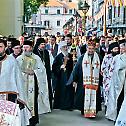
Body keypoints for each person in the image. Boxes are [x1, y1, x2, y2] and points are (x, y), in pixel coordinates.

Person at [17, 40, 51, 126]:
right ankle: (23, 121)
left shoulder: (36, 58)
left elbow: (42, 70)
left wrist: (34, 72)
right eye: (24, 47)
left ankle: (33, 121)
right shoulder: (18, 59)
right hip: (22, 85)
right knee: (22, 102)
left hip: (33, 85)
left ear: (31, 48)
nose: (25, 49)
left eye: (27, 47)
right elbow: (15, 72)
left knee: (33, 102)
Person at [67, 39, 102, 118]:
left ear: (94, 49)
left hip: (95, 82)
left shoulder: (99, 57)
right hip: (84, 81)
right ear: (87, 48)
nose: (91, 50)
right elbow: (76, 69)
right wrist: (74, 80)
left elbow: (102, 69)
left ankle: (93, 111)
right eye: (89, 48)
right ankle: (84, 110)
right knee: (83, 96)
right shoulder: (82, 57)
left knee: (95, 97)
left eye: (92, 49)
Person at [0, 38, 27, 125]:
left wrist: (20, 97)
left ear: (5, 47)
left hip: (9, 95)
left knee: (7, 121)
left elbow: (18, 79)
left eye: (0, 46)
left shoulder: (11, 61)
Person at [106, 39, 126, 121]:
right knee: (117, 100)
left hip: (124, 81)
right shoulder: (116, 58)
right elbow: (113, 69)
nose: (121, 49)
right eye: (120, 48)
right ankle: (115, 116)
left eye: (122, 48)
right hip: (117, 81)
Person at [52, 41, 74, 110]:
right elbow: (54, 68)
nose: (65, 48)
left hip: (69, 75)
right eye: (64, 47)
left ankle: (68, 105)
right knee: (61, 91)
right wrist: (59, 67)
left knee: (69, 90)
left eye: (66, 47)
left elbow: (72, 66)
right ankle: (60, 105)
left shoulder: (70, 56)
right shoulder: (58, 57)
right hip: (61, 77)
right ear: (61, 48)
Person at [33, 38, 53, 109]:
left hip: (46, 74)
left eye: (44, 44)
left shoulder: (46, 52)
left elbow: (48, 64)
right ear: (38, 45)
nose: (43, 46)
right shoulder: (34, 52)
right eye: (42, 44)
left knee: (47, 89)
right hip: (37, 74)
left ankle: (47, 106)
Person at [101, 42, 119, 107]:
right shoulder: (107, 57)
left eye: (117, 49)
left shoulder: (119, 57)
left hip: (116, 78)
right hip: (107, 78)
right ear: (111, 49)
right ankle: (107, 107)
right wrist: (107, 74)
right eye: (115, 49)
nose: (117, 50)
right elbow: (103, 67)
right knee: (107, 92)